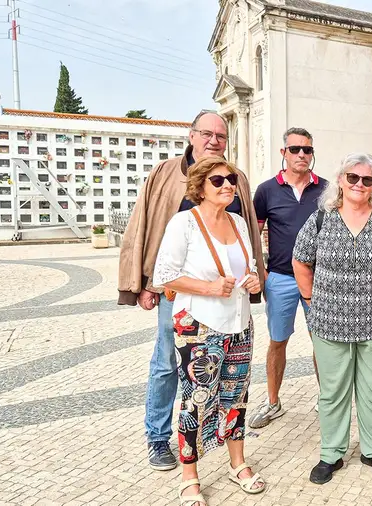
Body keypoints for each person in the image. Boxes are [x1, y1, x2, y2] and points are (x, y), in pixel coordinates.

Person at [117, 110, 265, 471]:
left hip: (229, 298)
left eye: (221, 135)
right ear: (192, 135)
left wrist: (253, 280)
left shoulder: (237, 178)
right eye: (207, 133)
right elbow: (144, 226)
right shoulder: (166, 174)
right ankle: (157, 437)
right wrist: (143, 283)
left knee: (230, 373)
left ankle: (225, 435)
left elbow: (247, 238)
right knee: (167, 361)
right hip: (181, 296)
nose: (214, 140)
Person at [292, 153, 372, 485]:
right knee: (332, 391)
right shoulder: (320, 219)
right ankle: (331, 453)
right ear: (341, 181)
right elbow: (300, 261)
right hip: (330, 321)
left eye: (368, 179)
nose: (360, 184)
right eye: (353, 178)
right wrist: (309, 298)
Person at [153, 156, 266, 504]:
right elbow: (164, 276)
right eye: (218, 181)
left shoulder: (238, 223)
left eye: (231, 179)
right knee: (196, 400)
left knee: (237, 396)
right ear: (200, 187)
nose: (228, 185)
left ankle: (238, 463)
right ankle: (190, 476)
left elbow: (248, 266)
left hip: (239, 323)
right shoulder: (184, 223)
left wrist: (252, 280)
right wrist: (208, 287)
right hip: (198, 325)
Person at [248, 127, 327, 429]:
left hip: (319, 280)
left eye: (307, 150)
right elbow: (253, 234)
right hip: (279, 278)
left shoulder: (327, 189)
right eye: (295, 149)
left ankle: (326, 400)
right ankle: (272, 402)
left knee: (322, 342)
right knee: (277, 341)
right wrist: (261, 271)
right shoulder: (267, 190)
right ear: (283, 153)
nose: (302, 155)